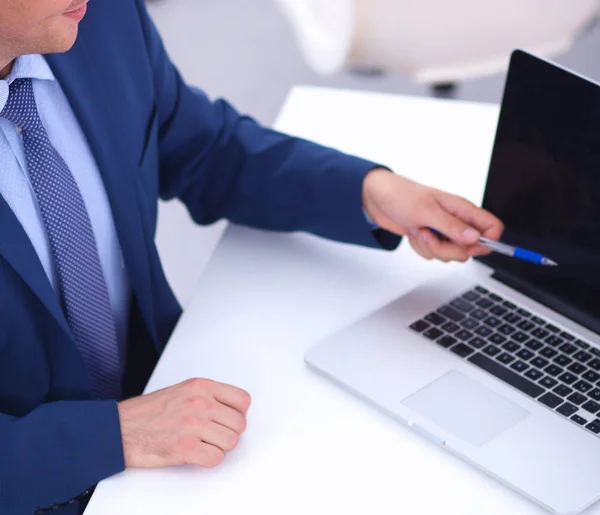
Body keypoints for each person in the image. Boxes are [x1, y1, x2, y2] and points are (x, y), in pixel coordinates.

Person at [0, 0, 504, 513]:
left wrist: (369, 194)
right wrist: (112, 437)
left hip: (170, 412)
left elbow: (202, 147)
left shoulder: (93, 19)